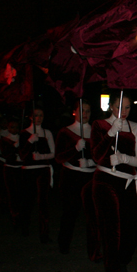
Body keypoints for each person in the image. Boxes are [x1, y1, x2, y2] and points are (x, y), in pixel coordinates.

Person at [91, 94, 137, 272]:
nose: (124, 111)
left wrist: (124, 158)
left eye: (128, 107)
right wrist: (110, 134)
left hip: (128, 181)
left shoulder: (135, 127)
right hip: (105, 180)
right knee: (111, 231)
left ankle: (121, 260)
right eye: (120, 106)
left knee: (132, 228)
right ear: (111, 107)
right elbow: (96, 156)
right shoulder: (99, 125)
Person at [55, 101, 99, 259]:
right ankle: (64, 244)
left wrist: (92, 162)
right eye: (82, 110)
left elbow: (101, 155)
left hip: (90, 177)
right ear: (75, 112)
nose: (85, 114)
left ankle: (94, 250)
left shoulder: (96, 132)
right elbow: (59, 157)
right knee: (70, 213)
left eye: (88, 111)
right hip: (71, 177)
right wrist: (75, 149)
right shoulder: (65, 132)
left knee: (93, 216)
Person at [18, 107, 56, 244]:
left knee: (43, 202)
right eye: (36, 115)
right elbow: (22, 155)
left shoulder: (47, 133)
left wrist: (42, 156)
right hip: (28, 170)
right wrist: (29, 141)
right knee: (27, 200)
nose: (38, 118)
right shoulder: (24, 133)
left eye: (41, 115)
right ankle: (24, 225)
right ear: (30, 117)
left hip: (43, 170)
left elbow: (53, 153)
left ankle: (44, 233)